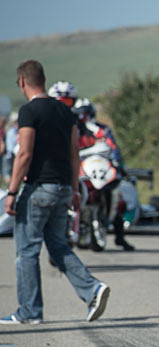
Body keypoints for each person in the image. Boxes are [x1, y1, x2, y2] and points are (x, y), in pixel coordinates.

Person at [1, 61, 110, 324]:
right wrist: (74, 189)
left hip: (39, 187)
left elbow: (24, 153)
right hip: (62, 188)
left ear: (22, 82)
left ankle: (30, 312)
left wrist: (12, 192)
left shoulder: (29, 112)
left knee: (26, 251)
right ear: (43, 79)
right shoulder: (65, 112)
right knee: (58, 245)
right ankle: (92, 289)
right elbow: (74, 154)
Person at [73, 98, 135, 251]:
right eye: (81, 114)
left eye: (86, 113)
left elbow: (113, 149)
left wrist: (118, 165)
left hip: (102, 171)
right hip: (84, 171)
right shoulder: (75, 130)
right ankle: (76, 231)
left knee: (118, 200)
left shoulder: (103, 130)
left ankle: (120, 237)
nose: (84, 117)